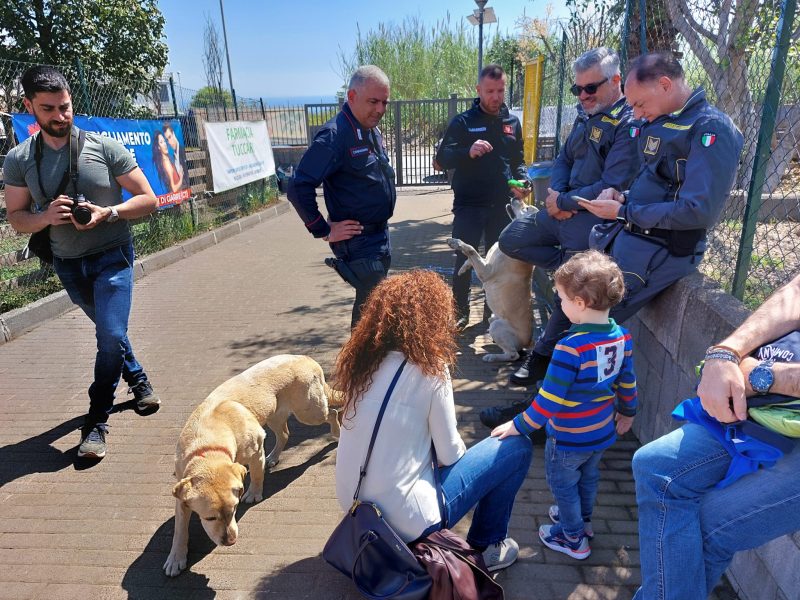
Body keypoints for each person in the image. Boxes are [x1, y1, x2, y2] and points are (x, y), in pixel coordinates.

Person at [497, 52, 744, 417]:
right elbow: (656, 185)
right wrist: (622, 197)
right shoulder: (665, 120)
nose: (638, 114)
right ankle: (539, 398)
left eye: (641, 104)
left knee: (585, 330)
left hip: (658, 253)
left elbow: (697, 210)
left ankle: (540, 417)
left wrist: (625, 209)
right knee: (574, 305)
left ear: (665, 84)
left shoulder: (711, 130)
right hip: (626, 237)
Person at [4, 66, 160, 459]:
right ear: (30, 107)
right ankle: (138, 380)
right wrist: (45, 217)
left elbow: (149, 199)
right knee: (113, 334)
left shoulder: (104, 147)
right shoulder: (20, 158)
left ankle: (96, 423)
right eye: (49, 109)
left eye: (65, 106)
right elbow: (16, 217)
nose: (60, 115)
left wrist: (109, 212)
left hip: (112, 256)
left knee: (108, 335)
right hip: (68, 264)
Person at [334, 270, 532, 571]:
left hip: (354, 506)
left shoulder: (363, 364)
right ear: (435, 318)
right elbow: (451, 454)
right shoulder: (431, 369)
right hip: (405, 521)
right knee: (516, 446)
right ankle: (487, 546)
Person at [631, 273, 800, 599]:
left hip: (768, 389)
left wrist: (764, 377)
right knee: (655, 466)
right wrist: (726, 353)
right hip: (770, 407)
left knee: (711, 526)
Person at [492, 47, 640, 396]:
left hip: (590, 220)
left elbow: (613, 183)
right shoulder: (584, 116)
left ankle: (540, 356)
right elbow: (561, 159)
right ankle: (563, 270)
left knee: (573, 292)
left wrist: (566, 201)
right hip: (561, 210)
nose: (583, 96)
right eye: (578, 89)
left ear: (616, 81)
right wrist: (556, 195)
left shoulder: (628, 124)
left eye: (591, 88)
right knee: (511, 239)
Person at [492, 250, 637, 560]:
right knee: (589, 478)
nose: (560, 304)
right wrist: (628, 411)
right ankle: (582, 522)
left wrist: (518, 426)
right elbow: (628, 381)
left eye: (562, 299)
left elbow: (549, 402)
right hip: (601, 433)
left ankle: (572, 538)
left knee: (563, 486)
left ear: (581, 303)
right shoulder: (622, 337)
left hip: (570, 436)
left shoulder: (570, 347)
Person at [287, 65, 396, 327]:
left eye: (384, 102)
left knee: (370, 311)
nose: (380, 109)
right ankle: (360, 366)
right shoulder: (334, 136)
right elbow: (298, 187)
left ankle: (362, 365)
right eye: (373, 101)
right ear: (351, 97)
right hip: (358, 242)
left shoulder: (370, 130)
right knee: (372, 316)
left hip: (379, 237)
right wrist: (324, 230)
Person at [434, 64, 531, 328]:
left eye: (500, 90)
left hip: (502, 205)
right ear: (478, 90)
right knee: (464, 258)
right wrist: (468, 151)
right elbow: (441, 159)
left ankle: (493, 314)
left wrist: (523, 179)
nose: (496, 97)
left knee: (498, 262)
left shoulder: (512, 123)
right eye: (490, 91)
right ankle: (460, 312)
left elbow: (518, 160)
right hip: (469, 204)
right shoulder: (463, 122)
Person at [163, 122, 188, 189]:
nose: (169, 142)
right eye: (167, 140)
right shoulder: (173, 156)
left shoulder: (182, 152)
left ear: (174, 134)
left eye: (170, 137)